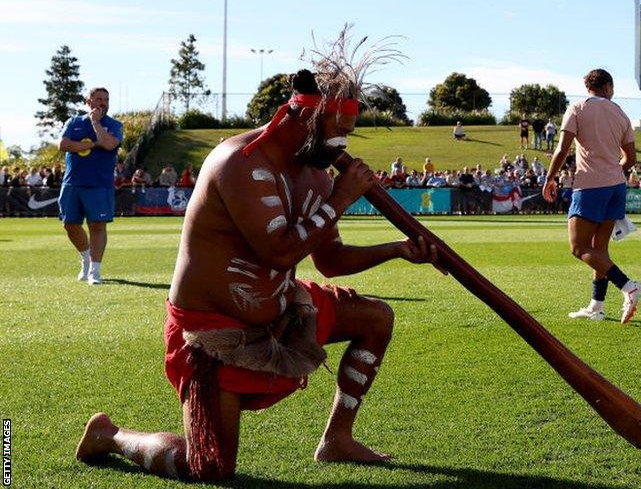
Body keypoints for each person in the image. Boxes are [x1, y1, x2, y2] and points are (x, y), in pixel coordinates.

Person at [75, 70, 444, 481]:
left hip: (283, 308)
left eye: (348, 134)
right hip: (213, 332)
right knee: (210, 467)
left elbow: (330, 260)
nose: (341, 144)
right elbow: (280, 250)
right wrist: (340, 198)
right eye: (337, 131)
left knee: (376, 318)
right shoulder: (239, 162)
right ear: (303, 117)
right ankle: (110, 436)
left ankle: (337, 439)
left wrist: (397, 250)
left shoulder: (316, 172)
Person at [543, 68, 641, 324]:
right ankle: (596, 306)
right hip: (616, 187)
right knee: (599, 249)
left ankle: (628, 286)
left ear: (588, 87)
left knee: (578, 248)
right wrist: (614, 170)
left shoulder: (577, 108)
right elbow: (630, 159)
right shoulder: (621, 113)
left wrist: (549, 178)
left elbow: (562, 148)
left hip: (589, 186)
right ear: (608, 87)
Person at [57, 87, 123, 285]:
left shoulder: (114, 125)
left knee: (97, 225)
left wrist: (95, 123)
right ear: (88, 101)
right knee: (69, 224)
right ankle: (85, 257)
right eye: (98, 99)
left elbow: (110, 144)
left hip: (99, 184)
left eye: (106, 99)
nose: (103, 102)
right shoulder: (74, 122)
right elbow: (63, 144)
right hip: (72, 182)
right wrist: (90, 145)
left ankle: (95, 270)